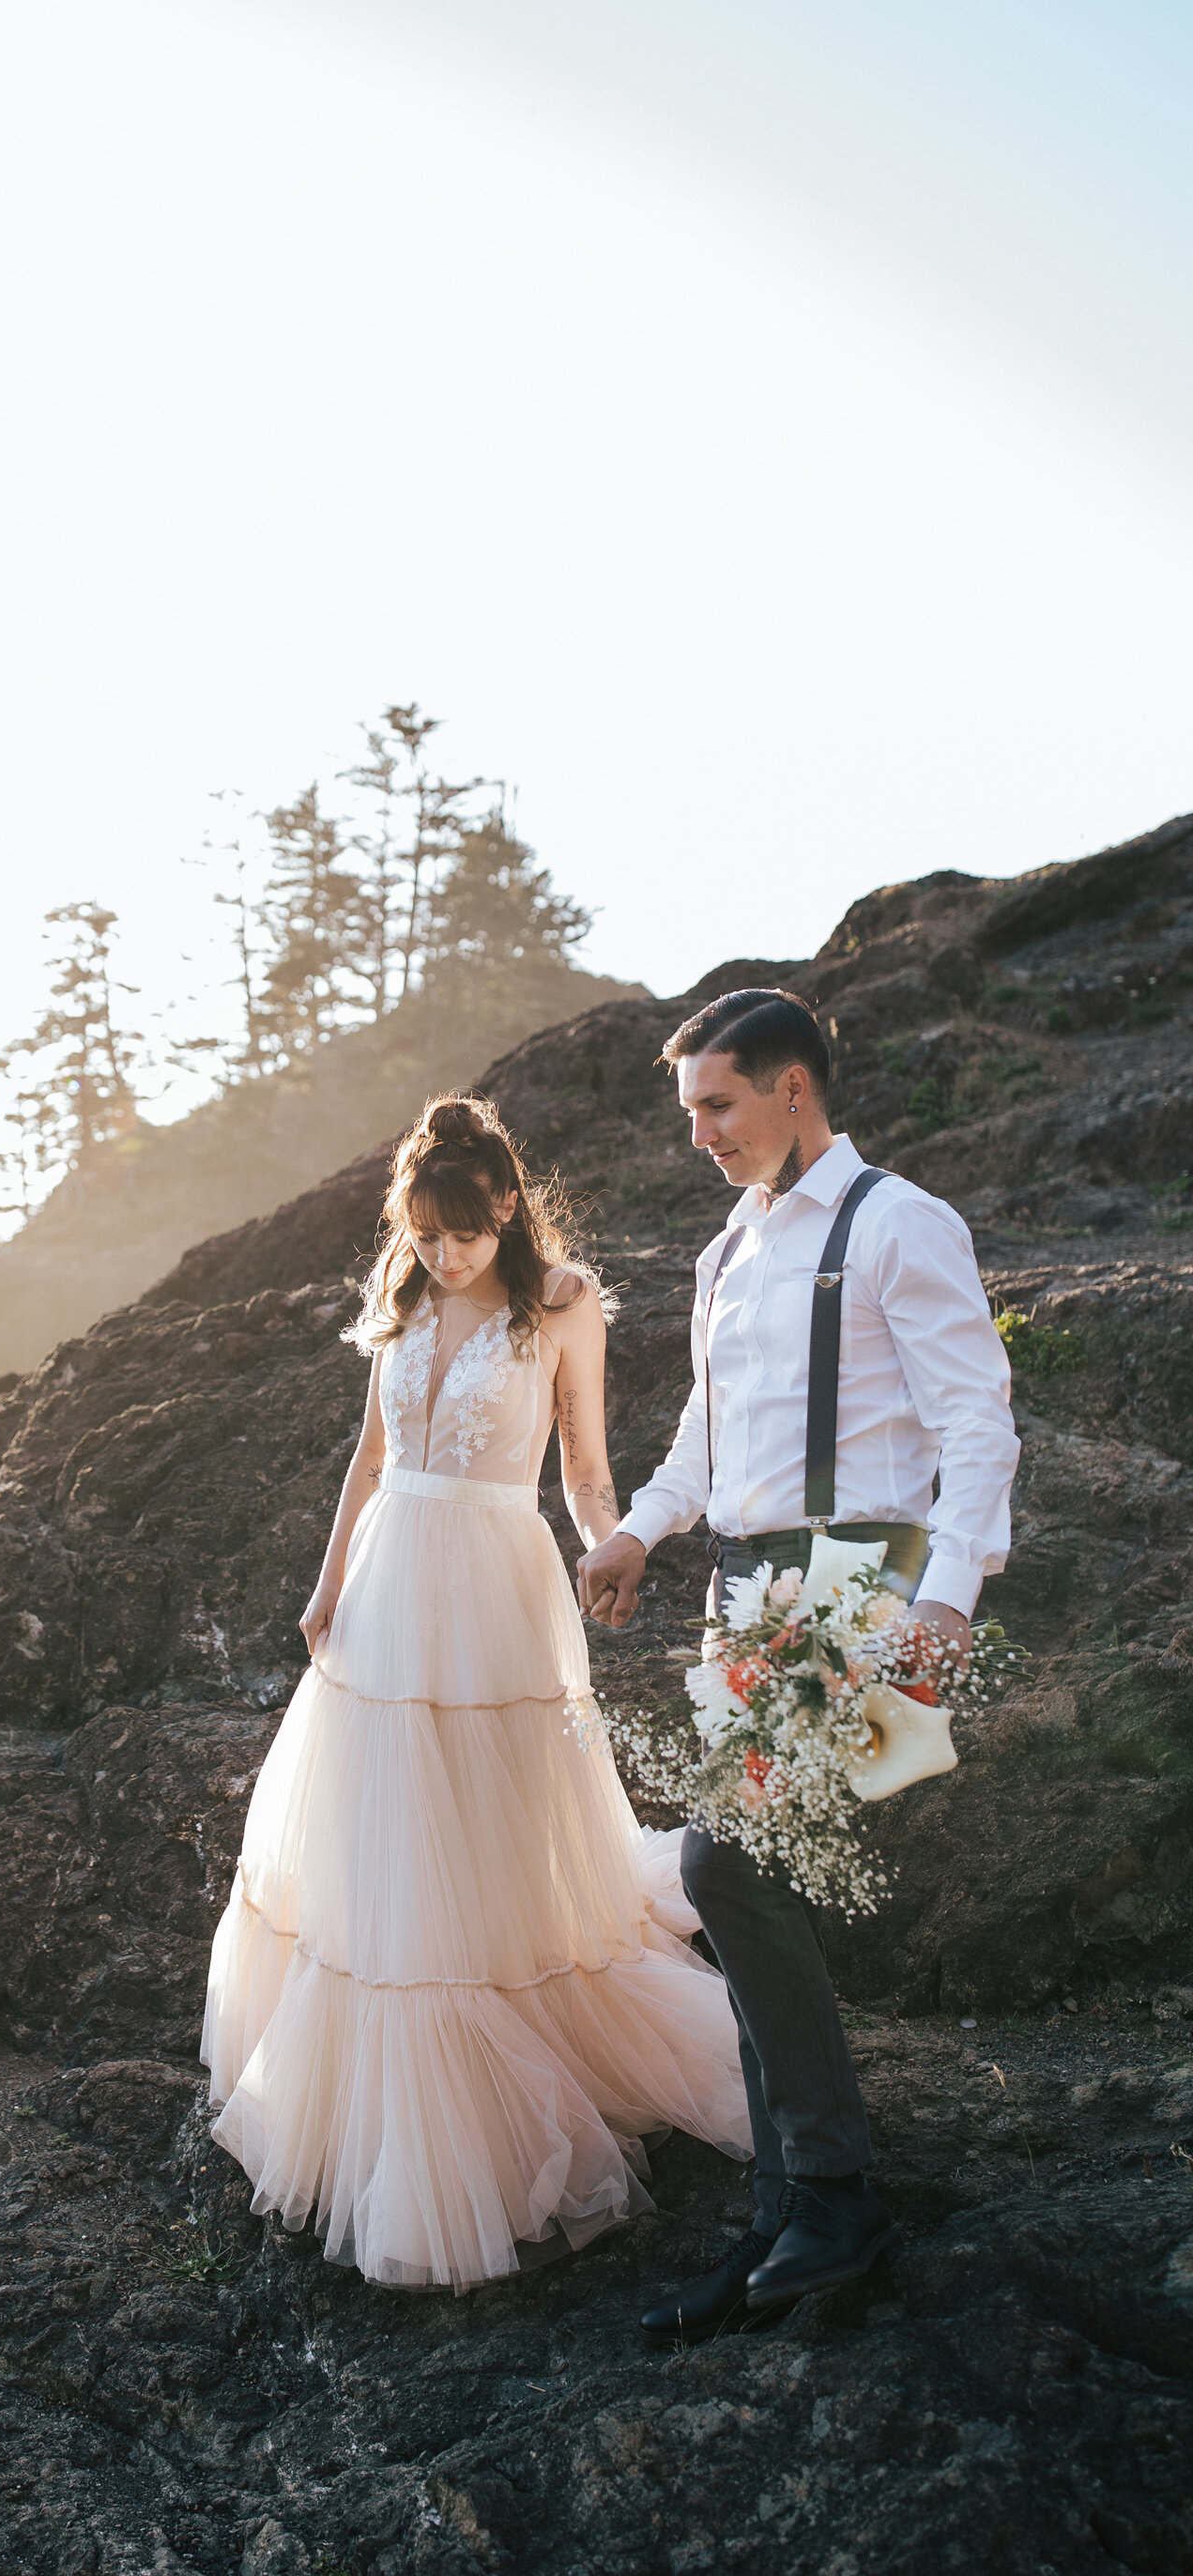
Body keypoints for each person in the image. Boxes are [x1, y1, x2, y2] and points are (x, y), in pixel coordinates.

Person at [202, 1094, 752, 2290]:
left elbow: (584, 1461)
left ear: (504, 1207)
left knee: (496, 1811)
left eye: (457, 1233)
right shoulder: (400, 1299)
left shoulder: (559, 1302)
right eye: (421, 1234)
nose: (441, 1254)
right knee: (387, 1820)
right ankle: (382, 2090)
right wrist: (324, 1582)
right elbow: (368, 1455)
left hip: (498, 1579)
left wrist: (614, 1545)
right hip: (393, 1577)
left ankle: (514, 2049)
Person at [579, 989, 1018, 2341]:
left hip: (862, 1584)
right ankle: (785, 2222)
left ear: (791, 1091)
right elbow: (709, 1439)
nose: (700, 1134)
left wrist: (946, 1602)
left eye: (716, 1105)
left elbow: (978, 1420)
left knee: (724, 1865)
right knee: (750, 1879)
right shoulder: (728, 1254)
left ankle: (831, 2193)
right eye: (689, 1112)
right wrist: (641, 1532)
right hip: (750, 1592)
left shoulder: (899, 1221)